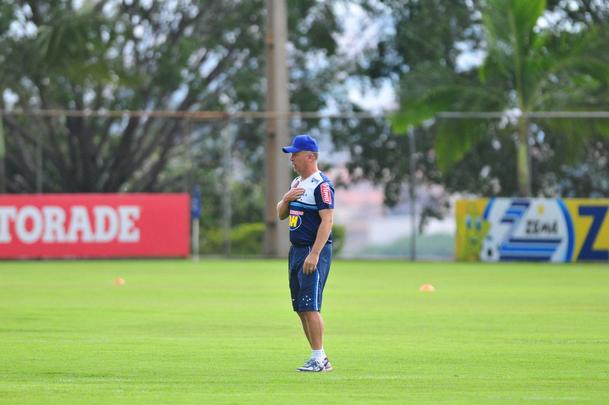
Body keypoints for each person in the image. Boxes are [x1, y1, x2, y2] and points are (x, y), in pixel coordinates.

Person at [276, 134, 335, 372]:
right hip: (296, 251)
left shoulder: (321, 185)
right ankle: (318, 357)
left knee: (311, 305)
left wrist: (315, 253)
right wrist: (286, 199)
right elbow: (280, 214)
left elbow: (327, 220)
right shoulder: (296, 184)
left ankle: (319, 359)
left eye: (295, 154)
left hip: (313, 251)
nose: (291, 159)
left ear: (309, 157)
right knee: (301, 307)